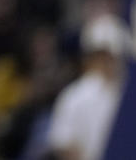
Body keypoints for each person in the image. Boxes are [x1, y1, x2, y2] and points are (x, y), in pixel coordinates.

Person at [46, 14, 130, 160]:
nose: (105, 62)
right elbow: (64, 145)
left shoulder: (134, 95)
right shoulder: (74, 96)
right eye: (99, 55)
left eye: (109, 55)